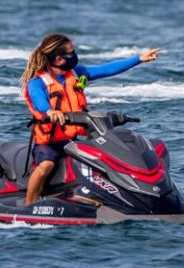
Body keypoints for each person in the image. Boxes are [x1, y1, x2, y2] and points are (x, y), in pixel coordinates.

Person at [20, 33, 160, 206]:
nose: (75, 55)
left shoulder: (76, 74)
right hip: (49, 142)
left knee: (105, 156)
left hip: (73, 137)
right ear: (58, 59)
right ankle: (29, 203)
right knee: (46, 166)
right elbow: (38, 99)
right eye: (71, 53)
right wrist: (50, 111)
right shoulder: (37, 82)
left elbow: (106, 69)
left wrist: (138, 59)